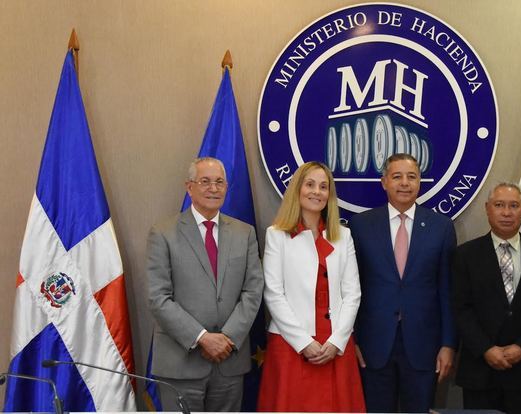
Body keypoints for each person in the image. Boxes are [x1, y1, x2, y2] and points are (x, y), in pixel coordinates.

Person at [147, 157, 264, 411]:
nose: (213, 188)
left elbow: (253, 290)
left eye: (219, 182)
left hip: (229, 361)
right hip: (181, 362)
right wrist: (201, 338)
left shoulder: (245, 233)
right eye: (205, 181)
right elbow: (158, 297)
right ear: (189, 187)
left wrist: (228, 337)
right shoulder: (163, 233)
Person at [349, 153, 457, 413]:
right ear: (384, 181)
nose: (405, 183)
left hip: (424, 346)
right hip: (372, 345)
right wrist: (350, 339)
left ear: (420, 182)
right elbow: (350, 289)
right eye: (397, 177)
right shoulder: (360, 225)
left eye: (412, 177)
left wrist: (449, 344)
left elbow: (448, 291)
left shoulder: (441, 227)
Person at [257, 161, 365, 412]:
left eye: (324, 186)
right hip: (291, 345)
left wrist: (338, 341)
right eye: (310, 184)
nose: (317, 192)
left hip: (335, 346)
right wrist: (303, 342)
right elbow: (273, 293)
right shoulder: (276, 234)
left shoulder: (343, 236)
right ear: (297, 189)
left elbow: (352, 294)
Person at [451, 182, 521, 413]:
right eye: (499, 205)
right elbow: (461, 309)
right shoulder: (464, 255)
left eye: (514, 205)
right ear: (487, 208)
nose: (507, 212)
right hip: (480, 370)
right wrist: (486, 349)